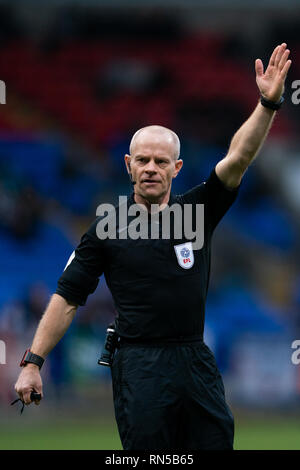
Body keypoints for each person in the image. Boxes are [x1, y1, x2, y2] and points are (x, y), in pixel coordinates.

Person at [15, 43, 291, 450]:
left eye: (161, 162)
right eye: (142, 160)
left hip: (195, 360)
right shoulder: (107, 227)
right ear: (128, 164)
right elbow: (68, 296)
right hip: (139, 366)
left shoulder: (198, 210)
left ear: (177, 168)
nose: (150, 169)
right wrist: (33, 363)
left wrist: (268, 103)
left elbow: (237, 158)